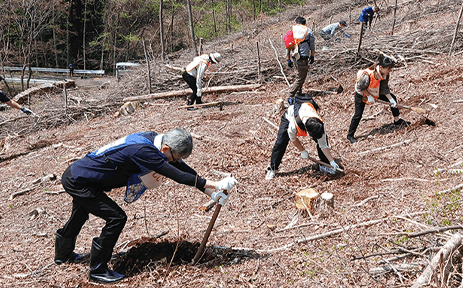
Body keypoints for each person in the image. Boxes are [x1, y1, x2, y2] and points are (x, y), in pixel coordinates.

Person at [54, 129, 237, 283]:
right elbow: (177, 176)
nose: (173, 161)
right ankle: (97, 270)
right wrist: (215, 183)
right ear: (166, 148)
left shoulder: (155, 140)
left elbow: (182, 168)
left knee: (80, 214)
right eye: (173, 158)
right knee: (116, 218)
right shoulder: (144, 151)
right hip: (79, 180)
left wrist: (209, 191)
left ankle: (63, 255)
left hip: (83, 176)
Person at [266, 95, 345, 180]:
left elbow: (323, 145)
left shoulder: (319, 125)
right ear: (308, 131)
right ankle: (272, 168)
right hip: (289, 116)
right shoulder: (294, 124)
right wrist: (302, 151)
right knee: (281, 142)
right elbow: (293, 138)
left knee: (322, 140)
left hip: (306, 113)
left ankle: (324, 164)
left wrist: (332, 161)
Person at [346, 57, 405, 143]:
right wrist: (369, 96)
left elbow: (384, 88)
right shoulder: (368, 75)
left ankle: (397, 120)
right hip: (362, 93)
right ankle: (350, 135)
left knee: (393, 98)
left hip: (375, 91)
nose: (390, 70)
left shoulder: (385, 74)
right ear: (381, 67)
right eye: (388, 68)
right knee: (358, 115)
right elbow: (360, 87)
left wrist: (391, 100)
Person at [286, 17, 316, 97]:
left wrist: (288, 59)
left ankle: (299, 93)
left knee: (299, 75)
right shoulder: (308, 31)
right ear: (305, 23)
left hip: (294, 56)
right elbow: (312, 46)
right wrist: (312, 56)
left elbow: (288, 46)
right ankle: (290, 95)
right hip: (303, 57)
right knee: (301, 78)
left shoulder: (292, 31)